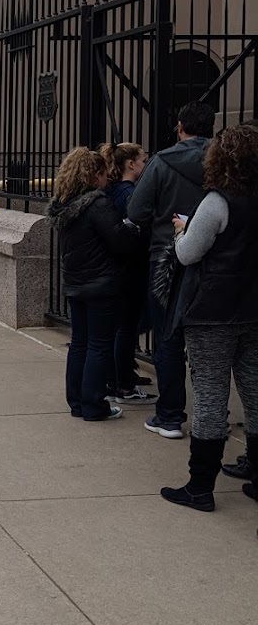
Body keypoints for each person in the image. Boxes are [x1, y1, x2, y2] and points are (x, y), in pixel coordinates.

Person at [159, 123, 258, 513]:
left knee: (211, 397)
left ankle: (200, 487)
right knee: (254, 390)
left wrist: (183, 231)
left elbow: (188, 254)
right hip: (252, 308)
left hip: (212, 311)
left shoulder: (218, 201)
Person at [127, 102, 216, 439]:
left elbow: (136, 210)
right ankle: (213, 416)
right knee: (212, 342)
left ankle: (169, 415)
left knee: (168, 338)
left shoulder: (162, 161)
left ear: (180, 126)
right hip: (215, 259)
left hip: (166, 258)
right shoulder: (224, 161)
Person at [48, 146, 142, 421]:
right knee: (99, 346)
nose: (106, 179)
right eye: (103, 174)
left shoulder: (64, 206)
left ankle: (77, 401)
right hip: (101, 284)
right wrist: (132, 230)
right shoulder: (98, 204)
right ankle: (93, 404)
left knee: (80, 344)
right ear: (94, 175)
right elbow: (121, 241)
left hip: (76, 283)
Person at [99, 141, 152, 402]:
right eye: (142, 160)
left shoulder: (111, 191)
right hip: (130, 267)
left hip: (116, 268)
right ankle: (124, 383)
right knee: (126, 327)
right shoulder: (129, 193)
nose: (145, 164)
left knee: (122, 326)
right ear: (130, 164)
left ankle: (120, 379)